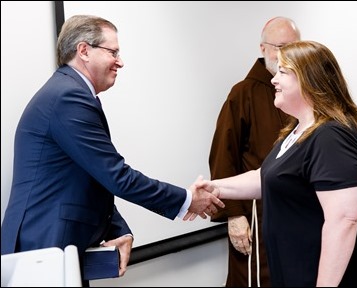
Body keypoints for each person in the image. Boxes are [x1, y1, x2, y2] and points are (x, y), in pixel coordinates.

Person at [1, 14, 224, 283]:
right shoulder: (67, 97)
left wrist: (120, 231)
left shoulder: (69, 92)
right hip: (43, 250)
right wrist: (186, 200)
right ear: (84, 50)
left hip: (55, 249)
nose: (120, 61)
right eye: (113, 52)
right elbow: (117, 176)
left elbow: (94, 177)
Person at [195, 40, 357, 287]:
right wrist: (215, 188)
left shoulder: (331, 137)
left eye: (283, 72)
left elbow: (344, 221)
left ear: (309, 80)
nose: (274, 80)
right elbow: (265, 176)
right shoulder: (299, 129)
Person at [208, 17, 300, 287]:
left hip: (297, 212)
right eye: (279, 47)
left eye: (293, 47)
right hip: (257, 215)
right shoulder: (243, 94)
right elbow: (223, 157)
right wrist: (234, 215)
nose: (286, 55)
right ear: (262, 48)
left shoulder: (307, 90)